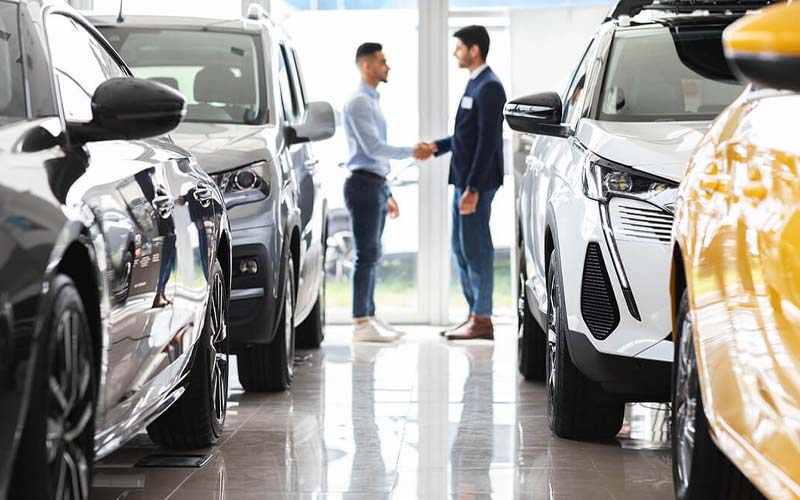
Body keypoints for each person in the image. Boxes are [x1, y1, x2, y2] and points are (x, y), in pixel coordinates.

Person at [417, 25, 506, 341]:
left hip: (475, 184)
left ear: (474, 50)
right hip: (464, 181)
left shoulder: (490, 86)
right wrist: (436, 147)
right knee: (461, 248)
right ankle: (474, 314)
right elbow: (465, 135)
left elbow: (487, 141)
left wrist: (473, 188)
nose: (455, 53)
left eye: (459, 47)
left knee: (476, 249)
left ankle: (482, 319)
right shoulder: (475, 83)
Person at [343, 42, 430, 342]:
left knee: (373, 253)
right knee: (366, 254)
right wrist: (412, 151)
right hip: (363, 185)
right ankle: (360, 322)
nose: (387, 67)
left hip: (375, 184)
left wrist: (387, 192)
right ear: (366, 65)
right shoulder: (359, 102)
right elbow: (373, 148)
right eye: (382, 62)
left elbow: (375, 158)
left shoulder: (371, 101)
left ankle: (369, 315)